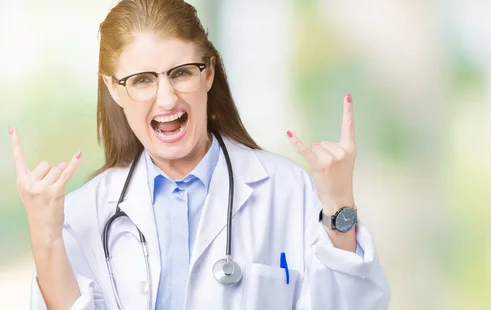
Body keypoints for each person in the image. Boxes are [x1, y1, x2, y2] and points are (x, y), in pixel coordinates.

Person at [9, 0, 390, 309]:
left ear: (208, 73)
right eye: (142, 80)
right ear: (114, 90)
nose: (166, 97)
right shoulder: (84, 213)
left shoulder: (286, 190)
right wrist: (45, 236)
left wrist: (339, 202)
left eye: (181, 72)